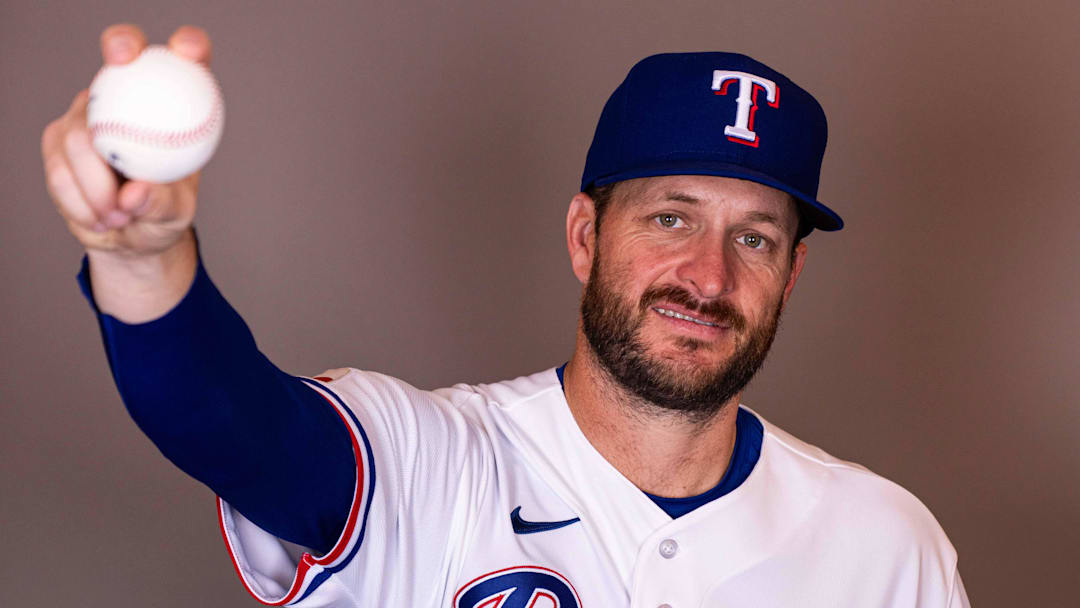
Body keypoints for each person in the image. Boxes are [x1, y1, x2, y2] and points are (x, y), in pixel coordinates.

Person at [43, 24, 969, 607]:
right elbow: (224, 419)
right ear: (584, 236)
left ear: (793, 273)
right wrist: (140, 258)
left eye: (755, 239)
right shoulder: (430, 464)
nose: (707, 274)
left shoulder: (885, 544)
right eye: (670, 217)